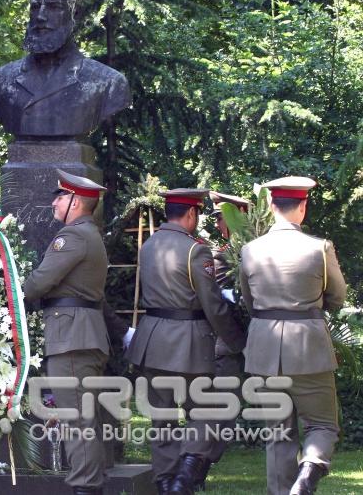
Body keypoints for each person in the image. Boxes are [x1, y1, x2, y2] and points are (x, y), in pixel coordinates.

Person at [124, 188, 246, 495]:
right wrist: (236, 340)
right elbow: (213, 305)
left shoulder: (149, 245)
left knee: (162, 418)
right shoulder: (196, 251)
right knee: (206, 411)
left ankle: (166, 483)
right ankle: (184, 477)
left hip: (152, 341)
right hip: (188, 343)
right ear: (191, 213)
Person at [239, 177, 346, 495]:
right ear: (303, 207)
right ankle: (308, 474)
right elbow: (337, 298)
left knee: (278, 434)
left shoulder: (249, 250)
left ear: (271, 206)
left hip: (265, 347)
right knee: (323, 425)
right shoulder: (319, 248)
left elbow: (249, 302)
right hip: (308, 347)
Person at [22, 170, 111, 495]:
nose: (54, 202)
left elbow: (38, 283)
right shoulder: (88, 234)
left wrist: (7, 289)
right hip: (80, 335)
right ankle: (91, 486)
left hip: (72, 338)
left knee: (77, 423)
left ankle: (85, 487)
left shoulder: (72, 237)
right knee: (84, 420)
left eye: (60, 196)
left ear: (75, 201)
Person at [0, 0, 130, 138]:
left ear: (74, 13)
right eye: (35, 7)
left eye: (53, 7)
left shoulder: (109, 83)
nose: (41, 16)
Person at [198, 191, 251, 488]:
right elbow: (219, 304)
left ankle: (195, 468)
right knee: (220, 412)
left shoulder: (246, 252)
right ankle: (194, 469)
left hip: (236, 346)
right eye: (218, 219)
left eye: (223, 219)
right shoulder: (221, 256)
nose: (219, 225)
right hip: (225, 346)